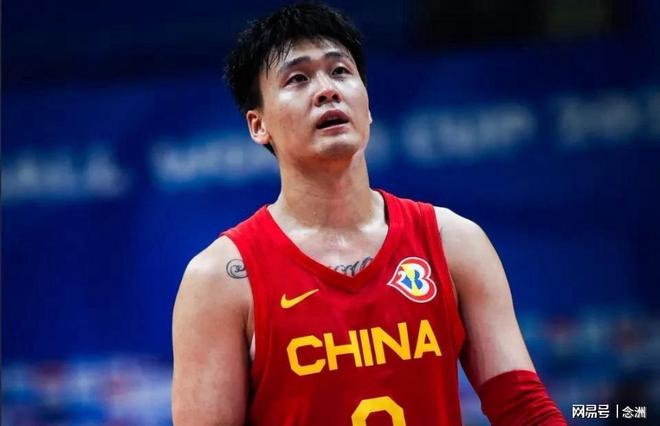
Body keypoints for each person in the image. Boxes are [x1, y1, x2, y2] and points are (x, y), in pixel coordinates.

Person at [171, 3, 566, 425]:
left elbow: (524, 409)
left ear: (368, 105)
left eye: (340, 71)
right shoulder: (220, 279)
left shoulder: (454, 241)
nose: (327, 90)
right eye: (298, 78)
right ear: (258, 125)